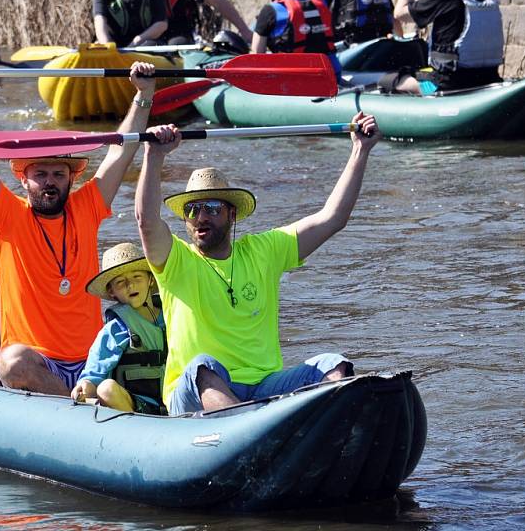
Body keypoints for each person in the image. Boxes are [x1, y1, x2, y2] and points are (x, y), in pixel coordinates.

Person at [135, 113, 381, 415]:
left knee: (333, 364)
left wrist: (360, 150)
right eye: (193, 209)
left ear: (232, 214)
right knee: (203, 366)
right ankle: (251, 430)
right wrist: (153, 154)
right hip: (192, 394)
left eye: (212, 208)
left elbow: (332, 219)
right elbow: (146, 221)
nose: (201, 217)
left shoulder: (262, 250)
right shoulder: (175, 259)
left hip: (264, 389)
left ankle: (326, 435)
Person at [0, 58, 161, 396]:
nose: (49, 182)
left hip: (95, 358)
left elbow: (122, 151)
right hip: (40, 364)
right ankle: (74, 408)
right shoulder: (6, 216)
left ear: (71, 178)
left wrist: (143, 95)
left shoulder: (85, 207)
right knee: (10, 362)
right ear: (23, 180)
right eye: (40, 174)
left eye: (58, 174)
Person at [389, 0, 504, 94]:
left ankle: (420, 92)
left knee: (392, 80)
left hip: (450, 83)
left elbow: (399, 13)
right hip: (489, 78)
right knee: (423, 71)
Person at [71, 242, 166, 414]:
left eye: (137, 277)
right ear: (112, 292)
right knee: (106, 389)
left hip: (177, 399)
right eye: (121, 282)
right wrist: (85, 386)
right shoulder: (115, 329)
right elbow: (94, 372)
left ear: (151, 279)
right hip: (139, 406)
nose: (131, 285)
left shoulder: (173, 313)